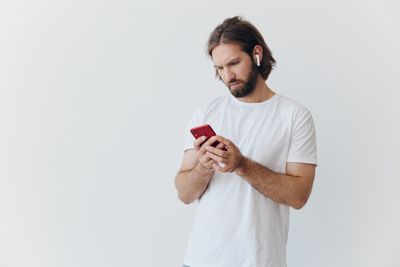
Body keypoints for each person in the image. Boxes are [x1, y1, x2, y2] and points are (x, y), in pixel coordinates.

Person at [175, 16, 317, 267]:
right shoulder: (207, 112)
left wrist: (240, 165)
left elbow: (299, 196)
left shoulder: (295, 116)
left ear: (257, 54)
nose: (227, 75)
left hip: (261, 261)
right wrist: (204, 167)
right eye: (219, 68)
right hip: (201, 260)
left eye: (234, 63)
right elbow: (185, 193)